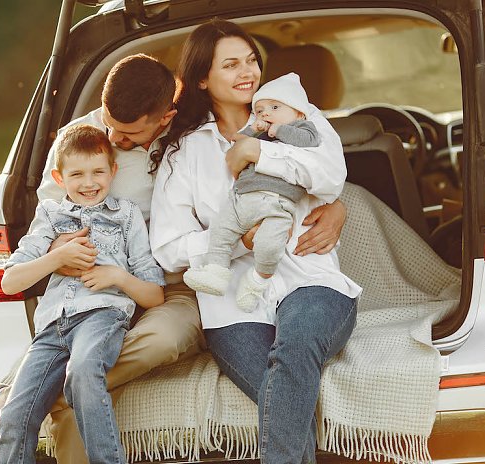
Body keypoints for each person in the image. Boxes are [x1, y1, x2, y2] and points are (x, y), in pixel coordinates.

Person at [0, 53, 347, 464]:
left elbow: (285, 170)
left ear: (165, 118)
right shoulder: (78, 139)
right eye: (109, 124)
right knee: (81, 378)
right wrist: (60, 253)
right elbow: (48, 219)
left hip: (168, 283)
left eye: (128, 135)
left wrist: (337, 202)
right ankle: (47, 391)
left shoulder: (192, 139)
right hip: (90, 282)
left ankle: (18, 399)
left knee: (158, 341)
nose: (113, 139)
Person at [150, 19, 362, 464]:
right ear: (202, 79)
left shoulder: (299, 116)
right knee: (283, 393)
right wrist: (236, 241)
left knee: (294, 353)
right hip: (230, 304)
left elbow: (330, 175)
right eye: (230, 64)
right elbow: (167, 248)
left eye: (251, 60)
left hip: (311, 280)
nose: (247, 72)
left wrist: (260, 152)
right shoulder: (183, 152)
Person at [0, 124, 166, 464]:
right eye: (77, 174)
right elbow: (10, 282)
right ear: (59, 178)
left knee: (84, 371)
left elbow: (155, 295)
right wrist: (56, 257)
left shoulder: (127, 214)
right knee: (14, 417)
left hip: (102, 316)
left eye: (98, 172)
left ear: (112, 171)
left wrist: (117, 276)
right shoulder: (48, 214)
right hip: (51, 329)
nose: (89, 183)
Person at [183, 72, 323, 310]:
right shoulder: (259, 131)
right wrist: (253, 130)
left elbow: (309, 140)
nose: (266, 113)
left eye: (274, 107)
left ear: (298, 112)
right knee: (220, 230)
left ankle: (257, 280)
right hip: (242, 200)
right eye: (259, 110)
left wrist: (277, 130)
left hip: (276, 204)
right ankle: (216, 271)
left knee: (270, 245)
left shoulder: (303, 128)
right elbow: (239, 142)